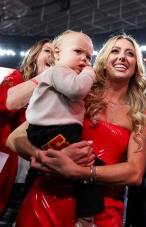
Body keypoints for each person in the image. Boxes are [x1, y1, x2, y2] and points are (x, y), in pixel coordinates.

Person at [6, 33, 146, 227]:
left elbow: (135, 173)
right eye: (115, 51)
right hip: (50, 198)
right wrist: (48, 159)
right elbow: (15, 138)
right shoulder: (75, 93)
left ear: (136, 65)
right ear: (104, 60)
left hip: (101, 210)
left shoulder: (138, 114)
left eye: (130, 53)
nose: (122, 57)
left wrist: (79, 172)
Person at [25, 30, 105, 227]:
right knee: (92, 166)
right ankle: (86, 219)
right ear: (57, 53)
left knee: (76, 166)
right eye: (78, 51)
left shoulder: (63, 75)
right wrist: (89, 72)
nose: (84, 59)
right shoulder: (58, 71)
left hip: (54, 130)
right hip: (51, 130)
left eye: (88, 56)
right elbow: (76, 90)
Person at [0, 38, 53, 226]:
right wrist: (47, 77)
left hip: (33, 183)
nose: (53, 56)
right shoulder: (17, 78)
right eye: (48, 51)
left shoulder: (58, 95)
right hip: (5, 180)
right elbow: (8, 103)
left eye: (57, 52)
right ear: (35, 56)